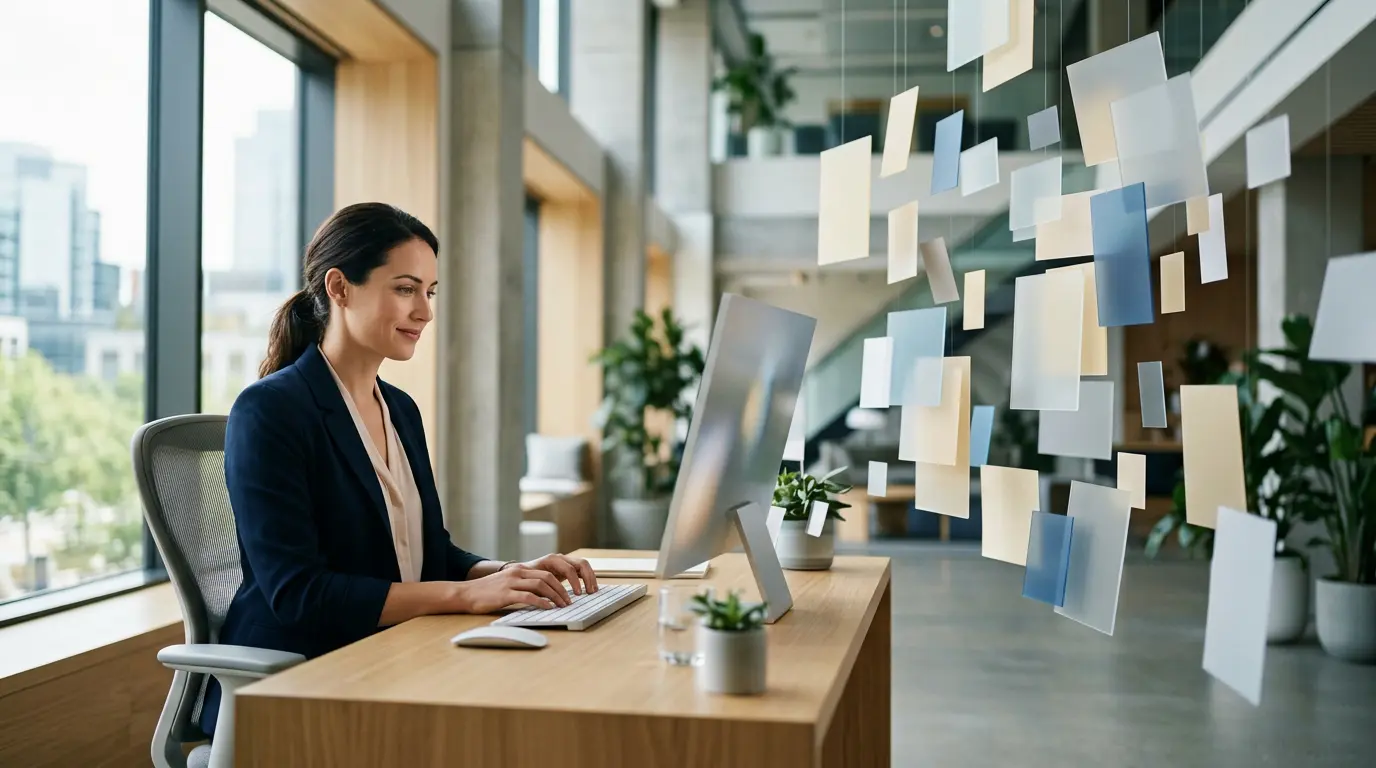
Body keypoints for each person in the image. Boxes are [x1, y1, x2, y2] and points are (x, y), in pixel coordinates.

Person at [200, 202, 596, 735]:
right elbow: (300, 595)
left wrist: (506, 575)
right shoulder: (270, 410)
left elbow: (429, 554)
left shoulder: (401, 410)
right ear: (339, 287)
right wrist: (465, 595)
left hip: (392, 654)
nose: (425, 311)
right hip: (300, 677)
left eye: (430, 292)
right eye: (405, 289)